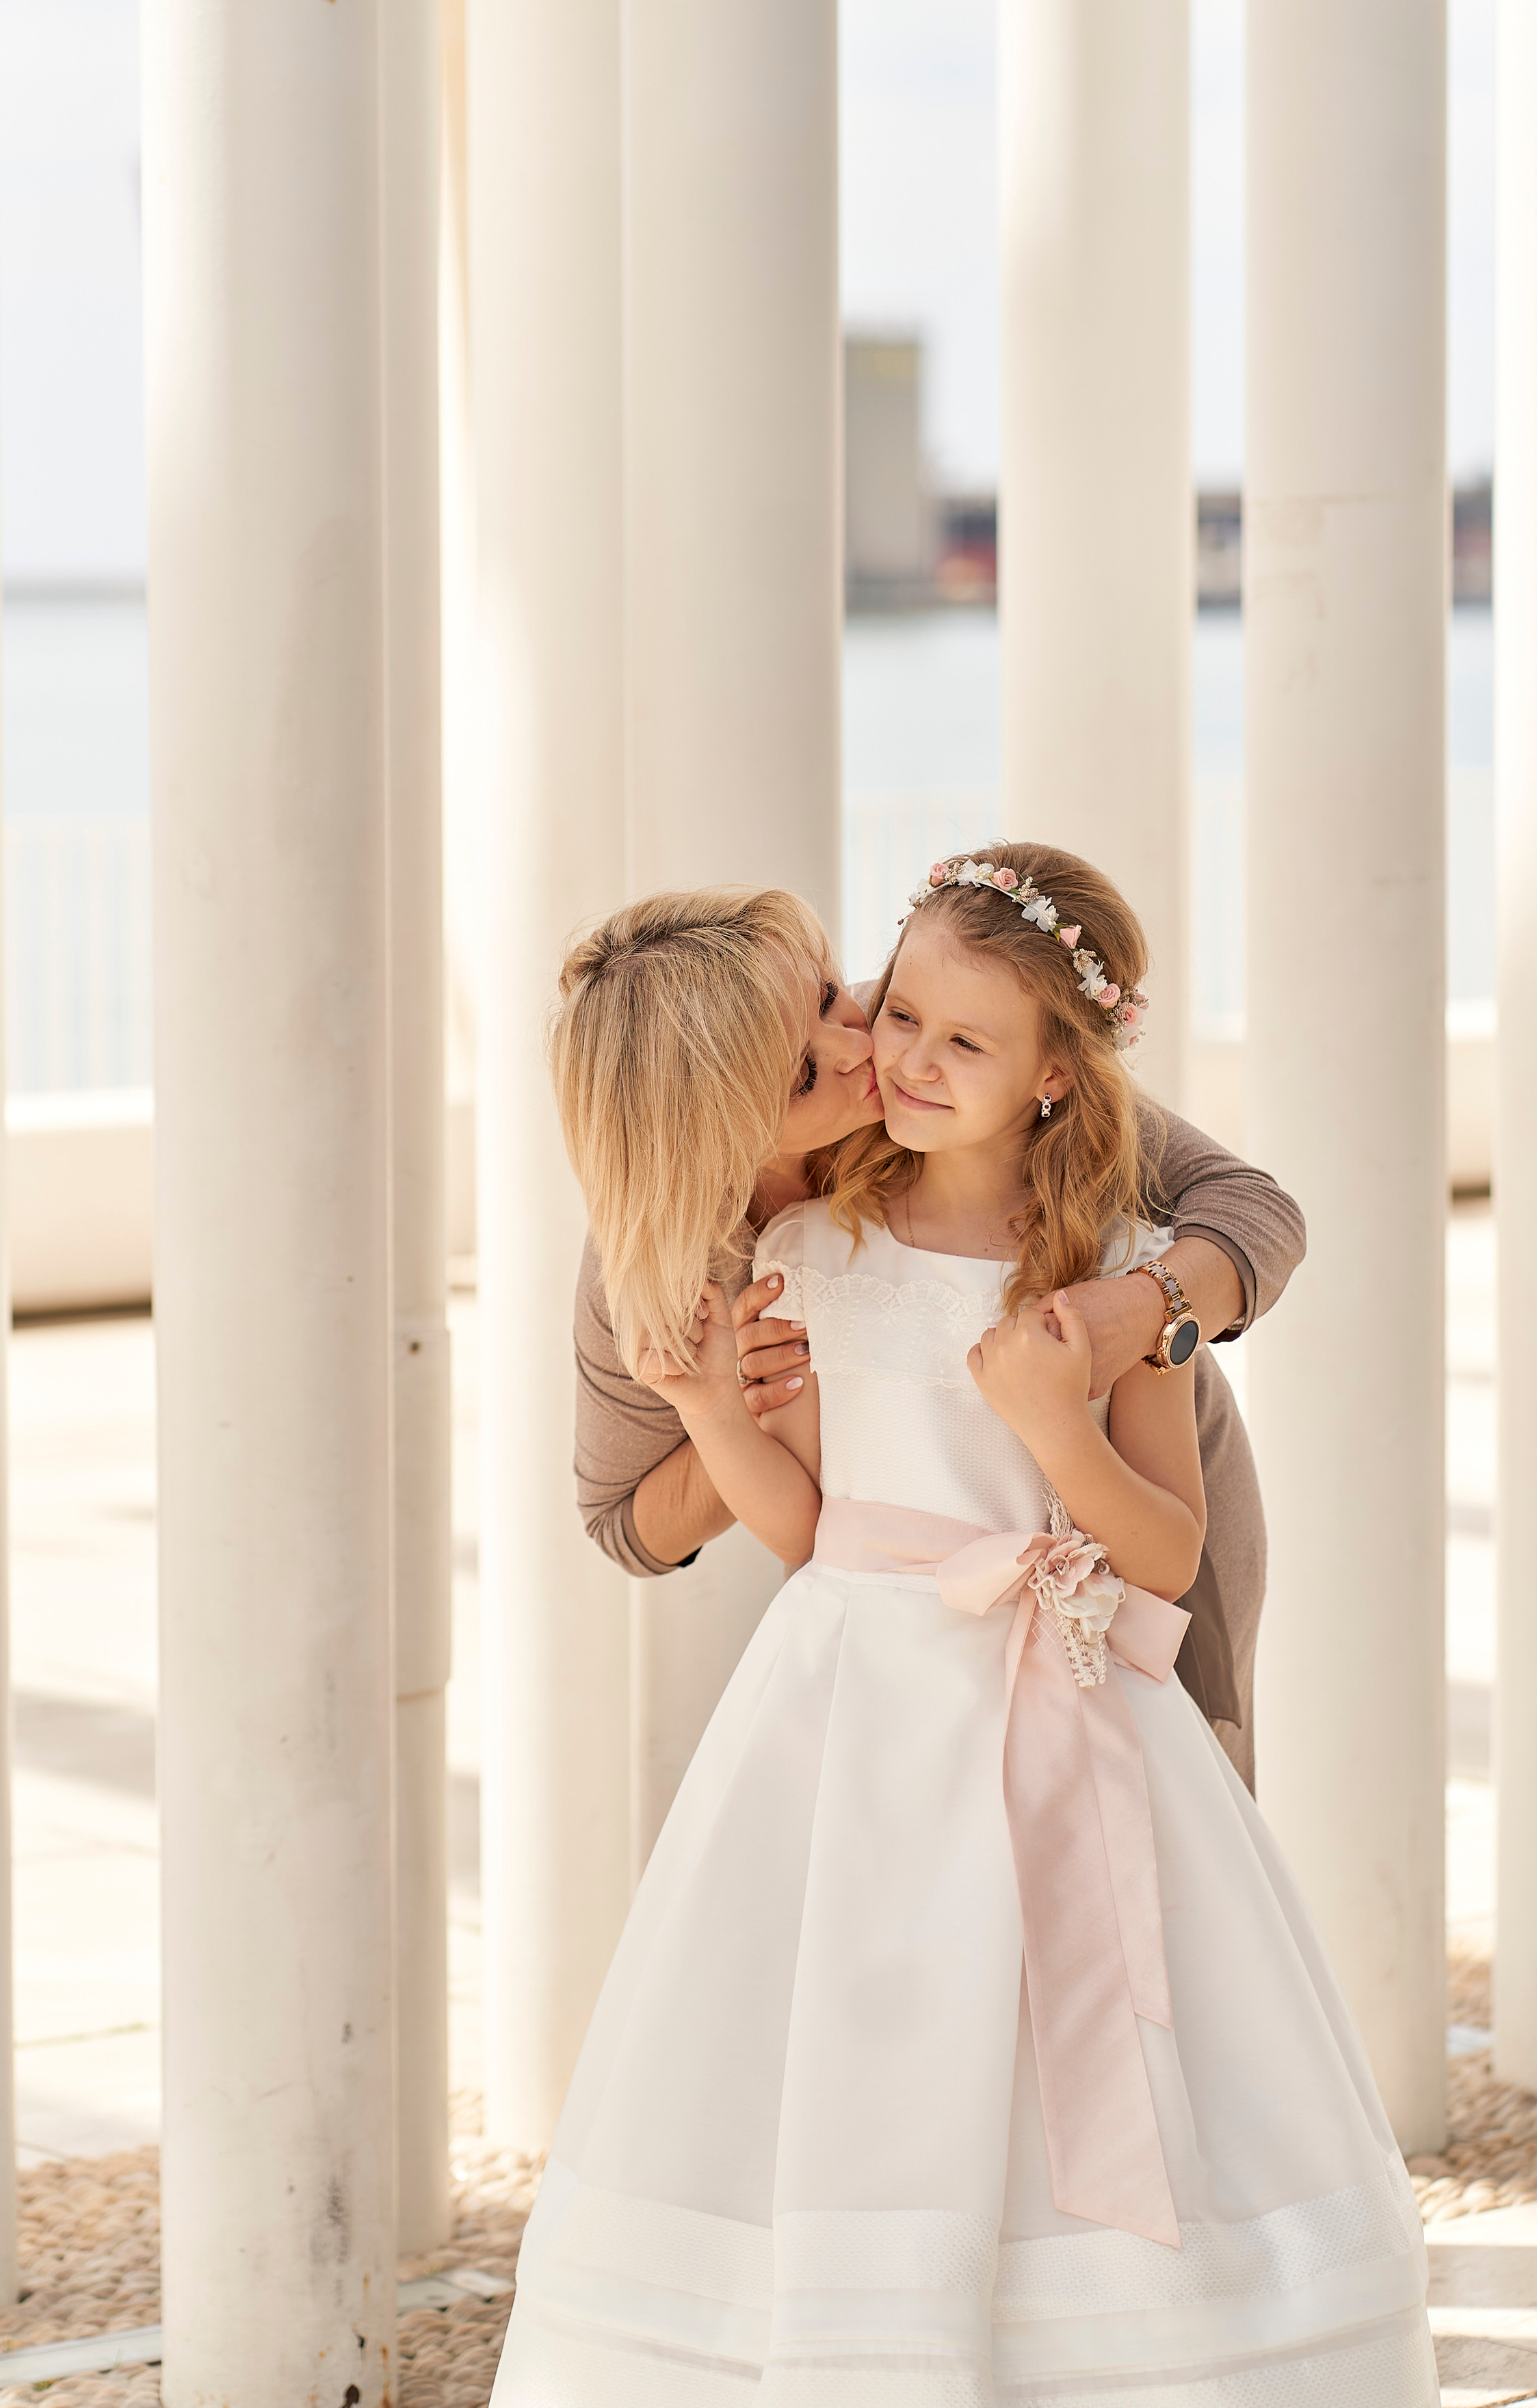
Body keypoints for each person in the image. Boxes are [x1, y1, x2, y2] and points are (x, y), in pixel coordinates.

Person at [490, 842, 1435, 2406]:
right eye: (832, 1053)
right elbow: (727, 1521)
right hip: (861, 1708)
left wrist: (1106, 1359)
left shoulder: (1087, 1208)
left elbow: (1239, 1244)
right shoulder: (751, 1254)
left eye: (844, 999)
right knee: (869, 2002)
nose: (879, 1050)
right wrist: (713, 1411)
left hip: (1082, 1657)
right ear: (733, 1120)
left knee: (1124, 1974)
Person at [561, 884, 1304, 1783]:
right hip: (907, 1620)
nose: (860, 1046)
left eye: (837, 997)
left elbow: (1251, 1208)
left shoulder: (944, 1046)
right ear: (712, 1132)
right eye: (801, 1072)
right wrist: (737, 1406)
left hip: (1129, 1525)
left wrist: (1135, 1312)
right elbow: (624, 1520)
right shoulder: (680, 1261)